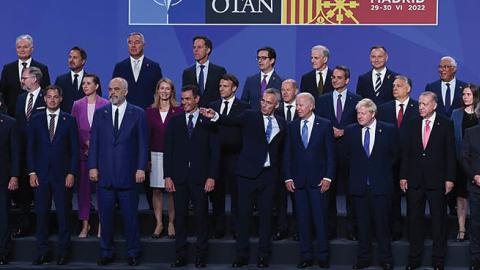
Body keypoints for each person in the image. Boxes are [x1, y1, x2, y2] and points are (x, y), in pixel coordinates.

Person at [201, 88, 286, 268]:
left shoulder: (282, 123)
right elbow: (230, 120)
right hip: (247, 176)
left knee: (265, 218)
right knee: (243, 217)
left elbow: (283, 151)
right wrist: (215, 116)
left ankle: (263, 255)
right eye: (263, 100)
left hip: (269, 177)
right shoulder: (250, 116)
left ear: (276, 105)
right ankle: (241, 255)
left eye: (269, 102)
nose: (264, 104)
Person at [89, 77, 148, 266]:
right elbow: (95, 143)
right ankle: (106, 252)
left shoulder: (138, 113)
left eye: (116, 89)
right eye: (110, 89)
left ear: (125, 92)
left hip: (129, 175)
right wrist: (92, 167)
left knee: (131, 218)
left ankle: (133, 252)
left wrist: (141, 168)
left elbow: (143, 145)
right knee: (105, 219)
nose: (112, 92)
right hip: (105, 176)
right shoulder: (100, 113)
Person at [164, 85, 220, 268]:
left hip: (201, 179)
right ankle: (180, 256)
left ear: (197, 99)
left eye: (188, 99)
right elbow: (168, 151)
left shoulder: (208, 122)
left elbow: (214, 152)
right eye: (183, 99)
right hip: (179, 178)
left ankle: (200, 256)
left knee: (201, 218)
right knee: (180, 218)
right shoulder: (174, 121)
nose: (185, 102)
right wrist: (167, 176)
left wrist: (211, 177)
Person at [400, 91, 456, 270]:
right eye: (420, 104)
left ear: (434, 105)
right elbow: (406, 153)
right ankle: (414, 259)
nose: (421, 107)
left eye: (425, 104)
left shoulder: (446, 124)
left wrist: (450, 178)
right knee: (414, 221)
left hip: (437, 181)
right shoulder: (412, 123)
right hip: (415, 180)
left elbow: (450, 153)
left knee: (438, 222)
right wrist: (403, 175)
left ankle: (438, 260)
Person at [27, 85, 79, 265]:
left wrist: (72, 172)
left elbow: (74, 151)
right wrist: (32, 171)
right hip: (40, 176)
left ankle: (64, 252)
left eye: (55, 97)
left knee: (64, 215)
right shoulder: (35, 119)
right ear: (44, 99)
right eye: (49, 97)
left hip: (62, 175)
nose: (52, 100)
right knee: (41, 215)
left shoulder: (69, 120)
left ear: (61, 99)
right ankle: (43, 251)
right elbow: (30, 149)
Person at [344, 98, 398, 270]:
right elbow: (346, 156)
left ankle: (386, 259)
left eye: (363, 113)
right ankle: (363, 258)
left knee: (382, 226)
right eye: (358, 113)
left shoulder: (388, 130)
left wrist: (380, 171)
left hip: (380, 186)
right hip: (359, 186)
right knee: (362, 226)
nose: (359, 116)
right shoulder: (351, 131)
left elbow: (395, 155)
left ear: (373, 114)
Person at [283, 92, 334, 268]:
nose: (298, 108)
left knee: (320, 220)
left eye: (301, 105)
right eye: (297, 105)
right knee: (302, 220)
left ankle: (323, 255)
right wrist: (288, 177)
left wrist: (328, 176)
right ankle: (305, 255)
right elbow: (287, 154)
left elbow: (330, 154)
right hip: (298, 182)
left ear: (311, 106)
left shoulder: (325, 125)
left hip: (318, 181)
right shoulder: (292, 126)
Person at [316, 65, 361, 240]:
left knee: (351, 194)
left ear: (347, 80)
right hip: (328, 153)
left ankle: (352, 229)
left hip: (349, 154)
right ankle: (329, 229)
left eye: (339, 77)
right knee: (328, 195)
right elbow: (318, 123)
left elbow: (360, 124)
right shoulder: (323, 99)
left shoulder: (356, 99)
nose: (334, 80)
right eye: (333, 77)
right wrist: (329, 130)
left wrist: (345, 131)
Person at [377, 75, 420, 241]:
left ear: (408, 88)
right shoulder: (384, 108)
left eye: (399, 85)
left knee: (413, 199)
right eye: (394, 85)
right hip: (390, 160)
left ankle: (412, 232)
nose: (394, 88)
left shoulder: (418, 107)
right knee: (392, 197)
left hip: (413, 160)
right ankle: (394, 230)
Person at [208, 74, 250, 239]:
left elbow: (240, 127)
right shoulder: (213, 105)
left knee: (236, 195)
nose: (221, 89)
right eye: (220, 86)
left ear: (234, 88)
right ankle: (218, 227)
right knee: (217, 195)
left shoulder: (244, 107)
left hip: (236, 157)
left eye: (225, 86)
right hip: (216, 158)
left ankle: (236, 227)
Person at [71, 74, 109, 238]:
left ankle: (102, 224)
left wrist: (95, 146)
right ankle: (85, 225)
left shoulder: (106, 104)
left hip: (102, 156)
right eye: (83, 83)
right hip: (83, 154)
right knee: (83, 191)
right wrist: (85, 145)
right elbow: (73, 128)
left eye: (88, 83)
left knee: (102, 191)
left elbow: (108, 130)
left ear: (97, 86)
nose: (85, 86)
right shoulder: (77, 105)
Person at [13, 67, 46, 238]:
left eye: (24, 78)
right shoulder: (20, 98)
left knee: (41, 192)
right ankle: (24, 226)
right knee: (24, 192)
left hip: (41, 154)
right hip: (24, 153)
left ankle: (42, 227)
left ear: (34, 79)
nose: (22, 81)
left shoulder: (47, 96)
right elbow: (18, 125)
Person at [146, 78, 182, 239]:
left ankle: (171, 223)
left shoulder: (179, 110)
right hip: (155, 155)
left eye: (168, 89)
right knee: (157, 190)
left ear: (172, 91)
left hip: (173, 156)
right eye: (162, 88)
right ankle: (159, 223)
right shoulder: (150, 111)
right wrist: (146, 158)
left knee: (172, 191)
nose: (165, 91)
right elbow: (146, 136)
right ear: (157, 91)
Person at [451, 84, 480, 241]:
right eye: (463, 94)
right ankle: (462, 229)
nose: (465, 97)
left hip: (477, 164)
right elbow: (452, 137)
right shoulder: (456, 114)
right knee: (461, 196)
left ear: (475, 96)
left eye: (468, 94)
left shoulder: (479, 114)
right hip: (460, 161)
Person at [273, 79, 299, 241]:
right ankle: (281, 228)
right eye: (282, 90)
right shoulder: (276, 112)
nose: (284, 93)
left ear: (296, 91)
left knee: (298, 200)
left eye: (288, 90)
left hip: (299, 162)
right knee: (280, 199)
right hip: (279, 162)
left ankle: (298, 229)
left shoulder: (303, 110)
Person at [0, 34, 50, 117]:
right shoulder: (7, 69)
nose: (22, 50)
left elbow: (46, 92)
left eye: (25, 47)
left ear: (32, 49)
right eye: (19, 47)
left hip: (36, 117)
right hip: (12, 116)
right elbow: (2, 93)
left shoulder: (42, 68)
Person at [112, 32, 163, 109]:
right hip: (125, 113)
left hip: (148, 113)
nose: (133, 45)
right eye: (130, 42)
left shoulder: (154, 67)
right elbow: (115, 91)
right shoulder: (120, 67)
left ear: (143, 45)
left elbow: (159, 92)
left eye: (137, 42)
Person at [0, 94, 20, 265]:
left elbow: (15, 153)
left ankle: (3, 251)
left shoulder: (9, 123)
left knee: (3, 217)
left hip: (3, 177)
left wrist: (14, 176)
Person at [182, 36, 227, 107]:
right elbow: (185, 96)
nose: (195, 50)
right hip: (194, 114)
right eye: (194, 47)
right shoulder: (187, 73)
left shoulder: (219, 71)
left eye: (199, 47)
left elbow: (225, 94)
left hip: (213, 113)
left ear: (208, 50)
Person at [461, 110, 480, 270]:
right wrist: (474, 176)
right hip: (476, 187)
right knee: (476, 224)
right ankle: (476, 259)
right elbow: (464, 158)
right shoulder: (470, 132)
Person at [55, 47, 99, 113]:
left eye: (75, 58)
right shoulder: (60, 80)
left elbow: (98, 104)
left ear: (83, 61)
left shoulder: (92, 80)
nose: (71, 60)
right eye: (70, 57)